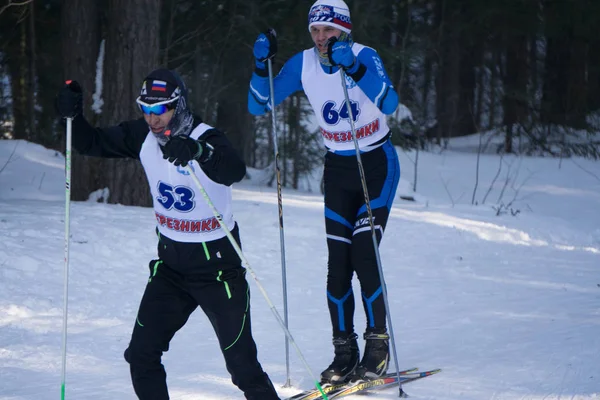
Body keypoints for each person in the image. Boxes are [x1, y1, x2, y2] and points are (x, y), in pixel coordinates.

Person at [56, 69, 281, 400]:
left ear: (180, 106)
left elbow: (233, 170)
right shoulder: (142, 137)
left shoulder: (208, 137)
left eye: (161, 110)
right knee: (141, 355)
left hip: (218, 269)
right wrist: (70, 116)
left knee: (242, 366)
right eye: (146, 110)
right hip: (172, 269)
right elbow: (91, 143)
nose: (153, 119)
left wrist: (198, 152)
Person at [248, 0, 401, 385]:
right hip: (338, 170)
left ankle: (377, 345)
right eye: (315, 31)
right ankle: (343, 351)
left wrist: (354, 67)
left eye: (329, 30)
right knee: (338, 267)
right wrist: (259, 65)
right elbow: (258, 104)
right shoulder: (303, 64)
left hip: (377, 165)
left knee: (365, 255)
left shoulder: (365, 55)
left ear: (344, 30)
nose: (321, 38)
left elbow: (390, 102)